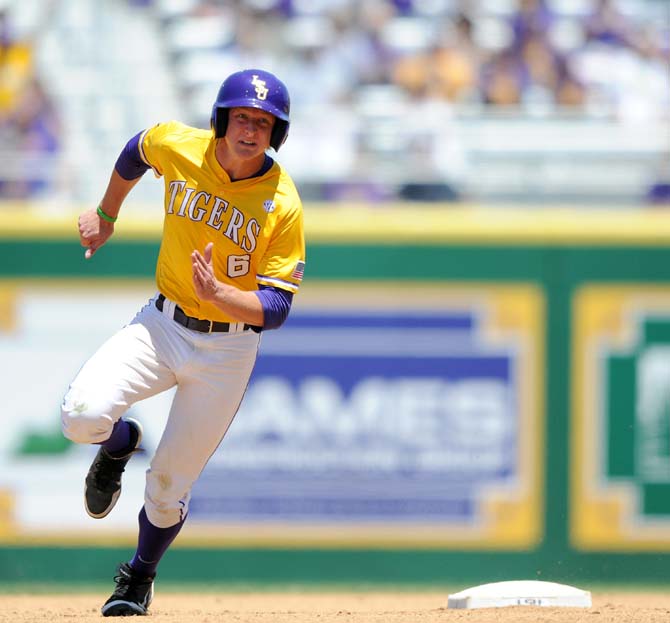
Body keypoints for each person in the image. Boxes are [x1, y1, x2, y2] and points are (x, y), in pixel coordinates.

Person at [61, 69, 305, 617]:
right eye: (242, 116)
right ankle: (118, 442)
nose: (251, 130)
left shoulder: (282, 202)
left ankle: (138, 578)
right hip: (163, 325)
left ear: (277, 133)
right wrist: (106, 215)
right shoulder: (178, 144)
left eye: (264, 123)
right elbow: (134, 152)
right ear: (221, 120)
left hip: (228, 349)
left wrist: (221, 294)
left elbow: (277, 307)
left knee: (169, 486)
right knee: (81, 416)